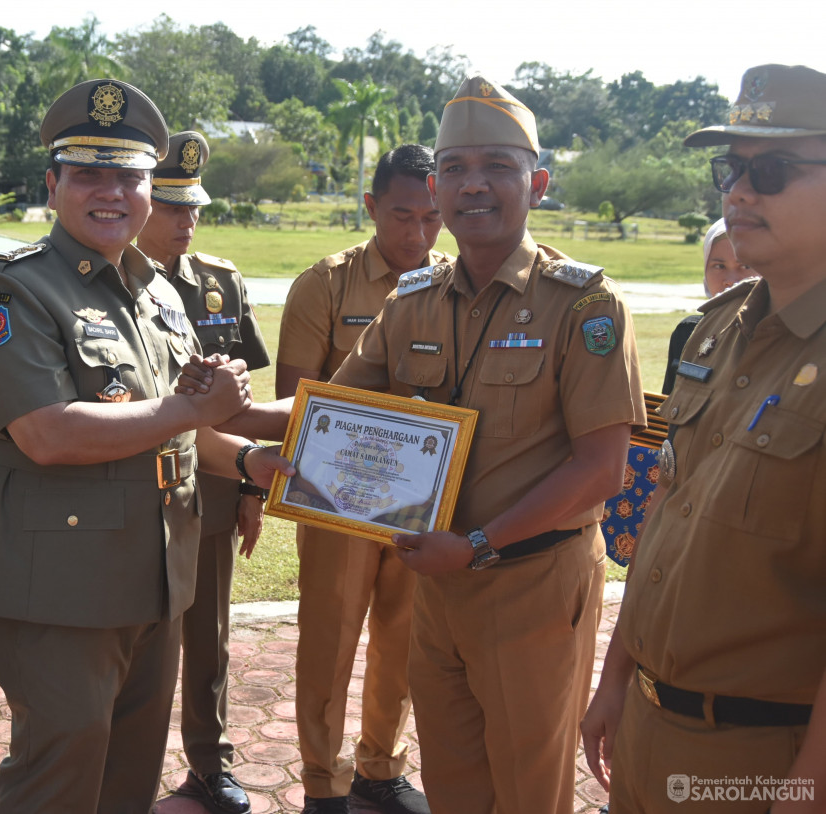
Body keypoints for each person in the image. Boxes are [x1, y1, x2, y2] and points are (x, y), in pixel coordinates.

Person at [201, 77, 646, 814]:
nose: (474, 185)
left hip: (530, 583)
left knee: (529, 790)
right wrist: (232, 410)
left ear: (536, 183)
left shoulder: (587, 308)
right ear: (435, 187)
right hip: (440, 588)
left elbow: (600, 469)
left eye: (497, 167)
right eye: (456, 169)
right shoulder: (414, 300)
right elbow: (328, 410)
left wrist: (476, 544)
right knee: (454, 785)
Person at [0, 79, 293, 814]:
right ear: (53, 185)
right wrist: (187, 406)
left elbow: (183, 426)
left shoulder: (159, 294)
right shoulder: (12, 291)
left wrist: (254, 455)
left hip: (159, 579)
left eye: (130, 176)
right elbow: (48, 432)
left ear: (150, 187)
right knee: (60, 778)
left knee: (129, 781)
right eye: (89, 173)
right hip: (62, 589)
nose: (111, 192)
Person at [582, 63, 826, 814]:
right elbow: (666, 515)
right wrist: (616, 677)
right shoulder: (718, 327)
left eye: (773, 169)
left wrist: (808, 791)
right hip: (652, 729)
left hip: (763, 759)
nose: (740, 192)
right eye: (732, 168)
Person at [275, 144, 448, 814]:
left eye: (432, 218)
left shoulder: (456, 287)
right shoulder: (325, 284)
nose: (418, 233)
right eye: (402, 215)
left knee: (404, 640)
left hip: (420, 504)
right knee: (329, 638)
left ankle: (382, 765)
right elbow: (296, 398)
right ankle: (323, 779)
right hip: (337, 502)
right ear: (372, 206)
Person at [137, 131, 272, 814]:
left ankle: (208, 763)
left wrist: (250, 486)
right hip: (131, 495)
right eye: (170, 207)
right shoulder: (106, 286)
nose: (186, 221)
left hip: (211, 485)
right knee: (130, 641)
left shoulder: (220, 284)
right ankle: (119, 765)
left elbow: (245, 407)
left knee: (208, 638)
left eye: (193, 208)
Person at [660, 218, 754, 394]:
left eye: (746, 266)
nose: (731, 281)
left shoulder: (786, 339)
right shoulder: (688, 332)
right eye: (719, 266)